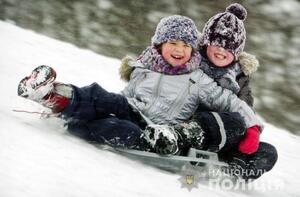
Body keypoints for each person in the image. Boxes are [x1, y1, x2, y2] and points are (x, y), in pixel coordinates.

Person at [18, 15, 264, 179]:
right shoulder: (144, 67)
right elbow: (127, 96)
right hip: (132, 108)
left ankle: (80, 122)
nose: (180, 50)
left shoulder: (198, 78)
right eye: (173, 43)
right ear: (158, 45)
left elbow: (232, 103)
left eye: (186, 45)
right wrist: (108, 104)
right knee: (100, 96)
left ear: (193, 49)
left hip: (157, 129)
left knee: (122, 129)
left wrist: (253, 126)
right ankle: (53, 94)